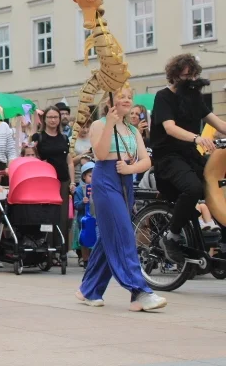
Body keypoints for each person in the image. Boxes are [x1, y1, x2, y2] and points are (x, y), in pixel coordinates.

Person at [77, 87, 167, 311]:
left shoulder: (132, 130)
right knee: (123, 233)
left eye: (129, 97)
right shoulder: (99, 125)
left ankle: (89, 289)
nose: (126, 100)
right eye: (121, 97)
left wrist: (130, 169)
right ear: (110, 101)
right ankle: (139, 291)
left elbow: (146, 160)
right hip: (105, 179)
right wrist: (109, 124)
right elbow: (99, 153)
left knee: (111, 234)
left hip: (125, 180)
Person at [151, 54, 226, 263]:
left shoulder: (194, 97)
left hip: (190, 156)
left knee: (220, 186)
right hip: (168, 157)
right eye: (186, 76)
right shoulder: (163, 97)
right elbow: (170, 127)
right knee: (193, 189)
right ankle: (172, 237)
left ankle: (222, 241)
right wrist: (197, 138)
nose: (191, 81)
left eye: (193, 76)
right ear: (174, 76)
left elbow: (218, 123)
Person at [33, 106, 75, 258]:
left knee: (63, 216)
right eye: (49, 117)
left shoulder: (64, 138)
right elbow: (34, 158)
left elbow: (69, 161)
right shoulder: (39, 137)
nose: (53, 120)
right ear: (44, 119)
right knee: (47, 215)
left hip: (63, 180)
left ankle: (60, 250)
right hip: (46, 182)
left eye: (55, 117)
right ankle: (46, 249)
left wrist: (72, 182)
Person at [72, 161, 95, 268]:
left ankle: (94, 259)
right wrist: (83, 202)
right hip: (83, 219)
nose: (93, 178)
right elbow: (76, 205)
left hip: (95, 219)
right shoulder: (79, 190)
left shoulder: (99, 189)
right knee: (84, 241)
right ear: (84, 176)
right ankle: (85, 259)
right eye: (90, 176)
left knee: (95, 239)